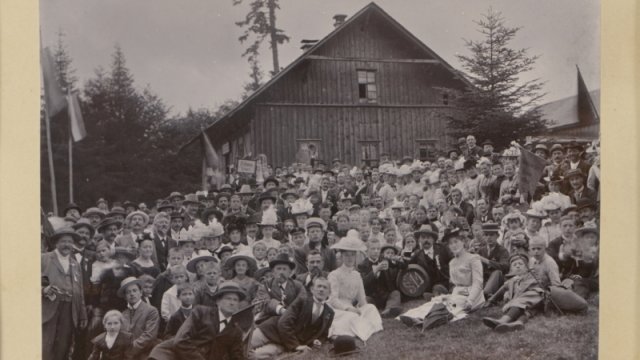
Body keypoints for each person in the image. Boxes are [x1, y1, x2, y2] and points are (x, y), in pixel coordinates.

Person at [399, 228, 484, 327]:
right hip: (457, 293)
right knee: (439, 300)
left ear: (463, 242)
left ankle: (427, 321)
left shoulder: (473, 259)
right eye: (451, 243)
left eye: (456, 242)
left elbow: (478, 283)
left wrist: (471, 300)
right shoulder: (452, 263)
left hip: (473, 295)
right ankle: (416, 316)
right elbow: (454, 284)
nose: (454, 245)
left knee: (450, 306)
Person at [148, 281, 246, 360]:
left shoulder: (236, 331)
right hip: (170, 354)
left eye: (235, 300)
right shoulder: (200, 313)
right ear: (218, 301)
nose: (232, 303)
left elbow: (237, 356)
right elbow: (181, 340)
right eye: (228, 298)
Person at [249, 277, 335, 359]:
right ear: (312, 289)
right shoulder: (302, 301)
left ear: (329, 292)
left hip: (283, 344)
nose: (321, 289)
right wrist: (296, 346)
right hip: (271, 330)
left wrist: (317, 341)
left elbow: (323, 334)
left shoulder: (329, 312)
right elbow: (283, 323)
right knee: (241, 346)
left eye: (325, 287)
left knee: (255, 356)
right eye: (319, 286)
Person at [327, 231, 383, 342]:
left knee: (371, 308)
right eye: (346, 255)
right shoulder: (334, 274)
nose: (350, 258)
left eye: (352, 255)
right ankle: (347, 331)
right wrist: (348, 308)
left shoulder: (357, 275)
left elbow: (362, 299)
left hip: (352, 308)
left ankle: (364, 328)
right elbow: (333, 299)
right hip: (337, 309)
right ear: (341, 256)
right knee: (351, 317)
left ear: (356, 256)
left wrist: (363, 309)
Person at [42, 228, 88, 360]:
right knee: (45, 344)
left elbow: (80, 291)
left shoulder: (75, 264)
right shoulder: (44, 259)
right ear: (56, 243)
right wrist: (43, 290)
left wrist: (82, 314)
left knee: (63, 345)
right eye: (63, 241)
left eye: (70, 242)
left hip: (69, 309)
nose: (67, 244)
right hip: (48, 308)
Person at [482, 254, 544, 332]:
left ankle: (503, 320)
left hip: (534, 301)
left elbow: (530, 288)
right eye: (514, 265)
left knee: (523, 303)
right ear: (511, 269)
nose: (518, 266)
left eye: (521, 264)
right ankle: (518, 323)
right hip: (526, 307)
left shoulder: (532, 275)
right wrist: (491, 300)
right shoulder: (512, 280)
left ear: (527, 267)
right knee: (525, 310)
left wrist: (512, 301)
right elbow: (503, 289)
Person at [358, 243, 406, 318]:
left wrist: (399, 260)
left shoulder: (385, 260)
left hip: (385, 295)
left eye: (378, 249)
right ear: (367, 251)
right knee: (365, 300)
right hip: (371, 296)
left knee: (396, 293)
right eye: (373, 249)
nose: (376, 251)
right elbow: (363, 283)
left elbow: (403, 266)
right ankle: (372, 310)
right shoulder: (362, 265)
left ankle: (389, 309)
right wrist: (376, 270)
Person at [255, 253, 307, 322]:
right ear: (273, 272)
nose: (281, 272)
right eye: (278, 269)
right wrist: (281, 310)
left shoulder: (298, 286)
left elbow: (303, 300)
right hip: (270, 319)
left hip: (293, 319)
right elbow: (265, 302)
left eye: (284, 269)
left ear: (290, 272)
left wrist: (290, 312)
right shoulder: (266, 285)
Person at [119, 277, 160, 360]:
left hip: (146, 353)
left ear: (141, 293)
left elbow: (149, 335)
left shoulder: (151, 311)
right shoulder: (123, 314)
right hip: (126, 355)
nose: (132, 294)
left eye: (135, 290)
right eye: (128, 292)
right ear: (125, 297)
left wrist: (129, 350)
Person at [409, 224, 450, 297]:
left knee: (439, 288)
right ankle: (435, 295)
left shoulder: (442, 249)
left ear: (433, 239)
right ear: (419, 240)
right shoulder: (417, 255)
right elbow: (408, 266)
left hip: (445, 282)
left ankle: (437, 295)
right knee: (434, 289)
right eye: (423, 237)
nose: (426, 240)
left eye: (428, 237)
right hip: (429, 286)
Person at [478, 222, 510, 298]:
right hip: (484, 280)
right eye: (486, 235)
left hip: (497, 281)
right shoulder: (481, 250)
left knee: (497, 272)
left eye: (492, 235)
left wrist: (487, 261)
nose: (489, 237)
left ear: (497, 236)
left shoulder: (503, 250)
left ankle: (485, 293)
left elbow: (505, 266)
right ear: (483, 236)